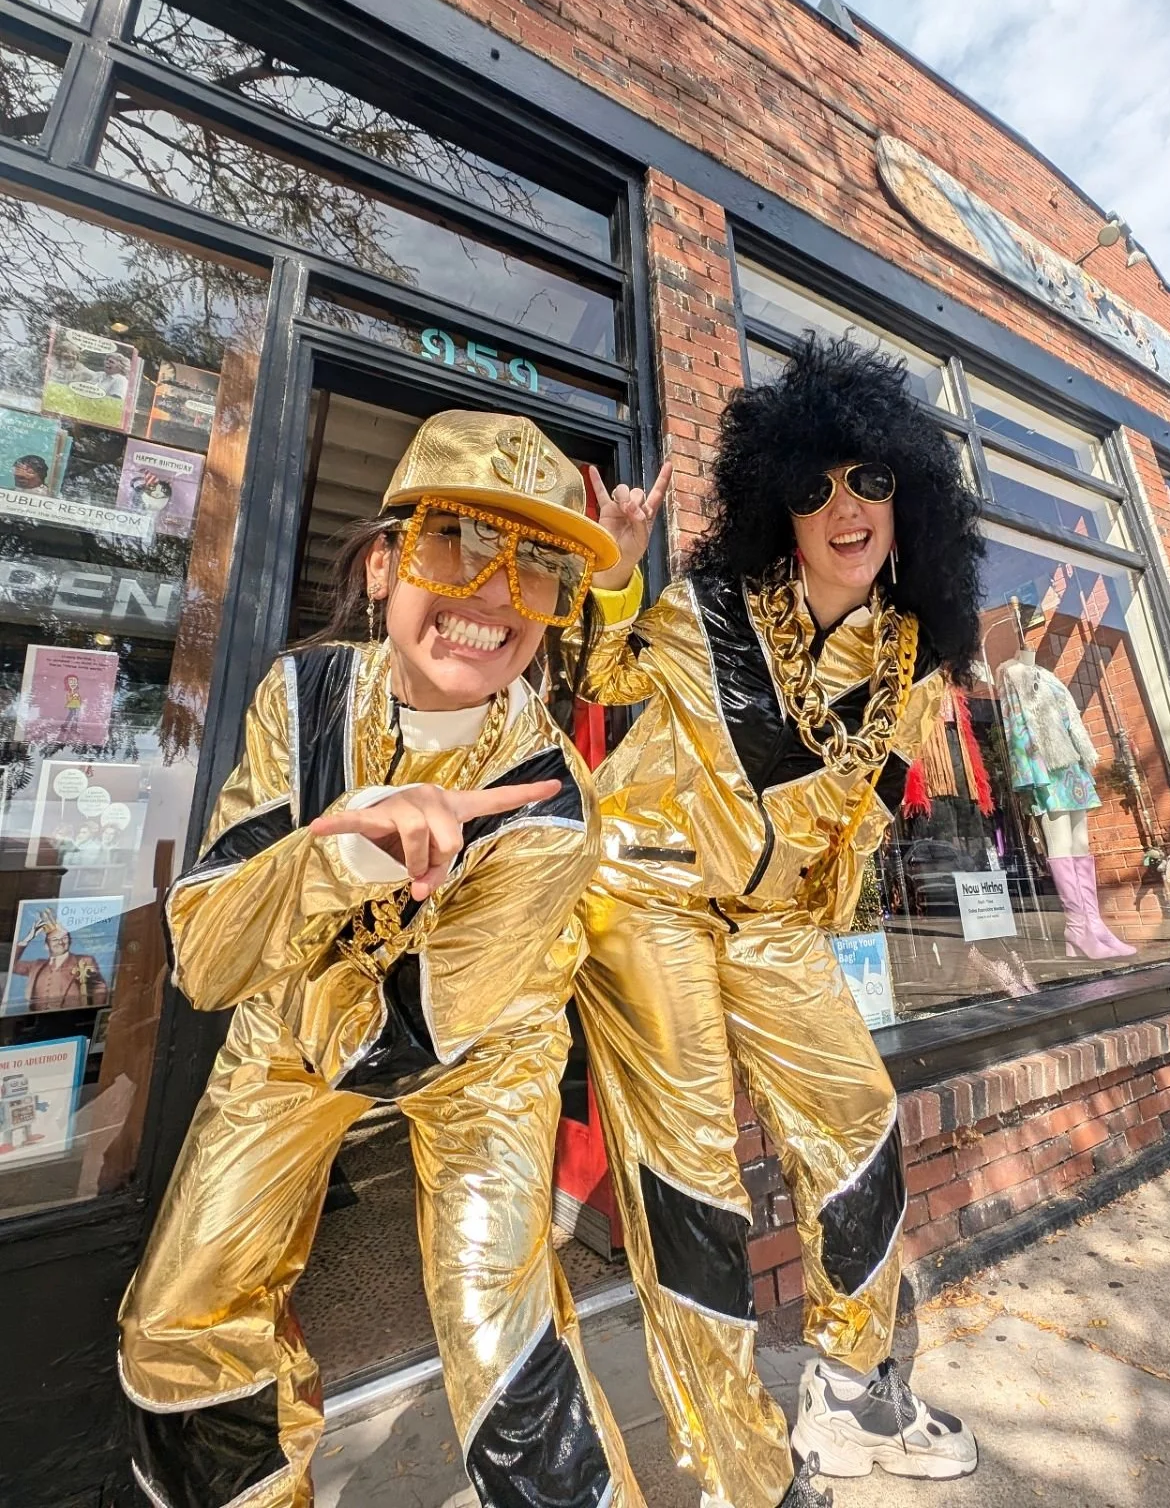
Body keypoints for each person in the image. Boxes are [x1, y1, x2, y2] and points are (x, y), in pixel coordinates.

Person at [119, 410, 644, 1508]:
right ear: (382, 563)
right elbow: (205, 956)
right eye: (461, 541)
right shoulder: (301, 697)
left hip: (481, 1053)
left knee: (503, 1331)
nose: (495, 594)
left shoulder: (555, 807)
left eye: (539, 566)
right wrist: (346, 850)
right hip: (287, 1033)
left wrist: (295, 912)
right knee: (178, 1320)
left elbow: (420, 1034)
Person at [578, 338, 985, 1508]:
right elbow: (602, 676)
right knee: (695, 1175)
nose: (845, 508)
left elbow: (857, 818)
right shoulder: (706, 609)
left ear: (907, 499)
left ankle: (852, 1392)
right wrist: (617, 576)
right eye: (814, 488)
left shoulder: (912, 661)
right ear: (782, 511)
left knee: (857, 1123)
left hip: (772, 924)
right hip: (646, 892)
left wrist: (824, 907)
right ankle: (742, 1469)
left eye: (869, 480)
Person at [11, 915, 110, 1012]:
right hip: (38, 1019)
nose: (61, 942)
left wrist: (92, 1012)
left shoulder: (84, 961)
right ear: (46, 946)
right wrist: (27, 939)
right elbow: (12, 966)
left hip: (71, 1018)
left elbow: (99, 988)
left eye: (64, 938)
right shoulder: (36, 965)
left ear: (70, 941)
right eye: (55, 939)